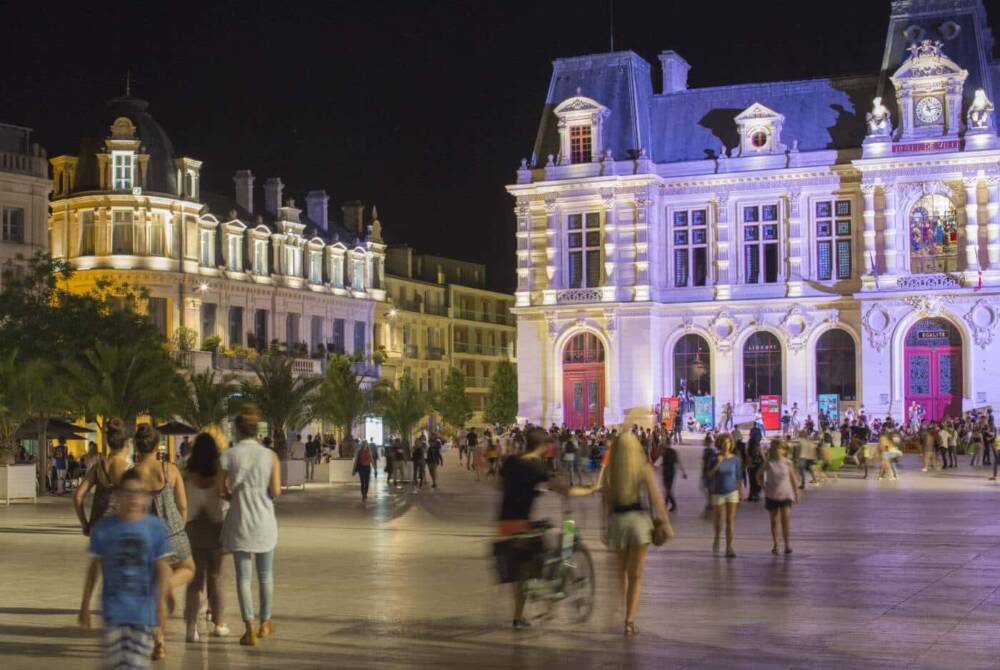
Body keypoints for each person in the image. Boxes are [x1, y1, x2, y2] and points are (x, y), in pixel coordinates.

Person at [496, 427, 595, 630]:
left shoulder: (511, 461)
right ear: (542, 446)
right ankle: (553, 591)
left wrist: (522, 489)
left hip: (505, 523)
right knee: (558, 541)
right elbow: (559, 488)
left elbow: (499, 484)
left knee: (522, 572)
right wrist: (588, 490)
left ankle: (519, 617)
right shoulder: (537, 466)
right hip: (522, 524)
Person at [78, 470, 173, 668]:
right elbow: (93, 568)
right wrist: (85, 605)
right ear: (117, 496)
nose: (134, 498)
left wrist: (161, 604)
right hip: (114, 610)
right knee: (115, 664)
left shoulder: (155, 528)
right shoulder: (104, 529)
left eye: (139, 492)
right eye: (128, 492)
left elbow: (162, 569)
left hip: (143, 611)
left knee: (135, 664)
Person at [219, 404, 281, 646]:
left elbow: (220, 489)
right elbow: (275, 490)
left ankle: (249, 629)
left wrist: (235, 496)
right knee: (266, 575)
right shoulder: (270, 456)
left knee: (242, 577)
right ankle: (266, 622)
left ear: (237, 430)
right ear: (257, 431)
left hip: (240, 519)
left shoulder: (229, 455)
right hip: (265, 520)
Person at [604, 433, 672, 637]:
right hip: (639, 524)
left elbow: (605, 502)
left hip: (618, 523)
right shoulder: (643, 468)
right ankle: (629, 622)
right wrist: (666, 522)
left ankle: (617, 610)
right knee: (636, 577)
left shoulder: (611, 472)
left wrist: (603, 528)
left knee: (622, 574)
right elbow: (656, 498)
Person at [133, 424, 195, 638]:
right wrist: (180, 526)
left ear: (137, 447)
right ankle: (165, 587)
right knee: (188, 568)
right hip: (173, 535)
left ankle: (158, 639)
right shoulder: (170, 470)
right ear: (157, 445)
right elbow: (183, 505)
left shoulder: (132, 474)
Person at [183, 432, 230, 642]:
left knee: (194, 581)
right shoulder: (219, 471)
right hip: (216, 528)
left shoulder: (186, 472)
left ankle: (191, 628)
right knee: (216, 577)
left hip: (193, 528)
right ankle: (219, 623)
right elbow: (225, 495)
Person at [74, 419, 134, 537]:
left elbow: (77, 496)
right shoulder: (130, 469)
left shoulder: (98, 467)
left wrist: (85, 524)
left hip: (98, 527)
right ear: (127, 443)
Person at [758, 439, 799, 555]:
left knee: (785, 520)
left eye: (780, 448)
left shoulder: (788, 463)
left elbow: (793, 478)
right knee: (774, 521)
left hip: (786, 494)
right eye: (776, 448)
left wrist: (796, 493)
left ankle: (787, 545)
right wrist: (763, 486)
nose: (778, 451)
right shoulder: (768, 463)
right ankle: (776, 544)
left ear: (784, 450)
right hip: (771, 494)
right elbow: (758, 475)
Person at [707, 434, 743, 557]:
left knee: (730, 521)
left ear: (731, 444)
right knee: (718, 520)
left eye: (728, 443)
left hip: (732, 492)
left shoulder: (736, 460)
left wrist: (740, 493)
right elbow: (709, 474)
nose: (726, 445)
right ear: (719, 444)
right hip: (718, 492)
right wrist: (718, 463)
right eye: (723, 443)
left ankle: (729, 547)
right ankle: (717, 537)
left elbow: (739, 477)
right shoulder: (714, 458)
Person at [660, 438, 687, 512]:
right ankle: (667, 504)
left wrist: (683, 472)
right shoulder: (673, 452)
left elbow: (677, 461)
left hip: (667, 473)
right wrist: (683, 472)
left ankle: (671, 504)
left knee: (668, 489)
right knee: (668, 489)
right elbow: (678, 461)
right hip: (671, 472)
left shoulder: (665, 451)